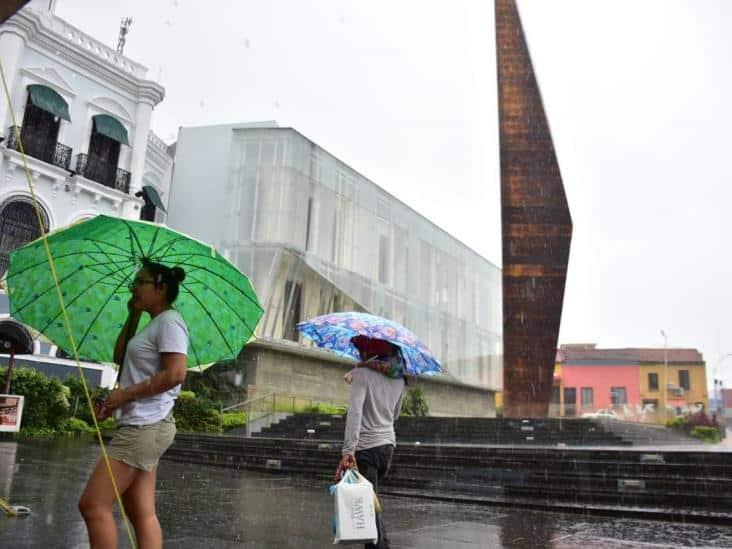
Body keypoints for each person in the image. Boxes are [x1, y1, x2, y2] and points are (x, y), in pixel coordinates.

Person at [79, 259, 188, 549]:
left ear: (161, 287)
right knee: (141, 513)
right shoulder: (153, 324)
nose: (134, 287)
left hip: (145, 427)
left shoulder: (170, 323)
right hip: (144, 423)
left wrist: (124, 396)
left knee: (93, 505)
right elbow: (120, 357)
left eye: (140, 282)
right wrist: (133, 315)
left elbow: (176, 374)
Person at [335, 339, 406, 549]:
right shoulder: (400, 379)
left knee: (367, 512)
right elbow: (395, 414)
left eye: (360, 350)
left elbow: (355, 413)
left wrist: (348, 450)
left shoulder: (362, 375)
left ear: (368, 352)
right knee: (370, 506)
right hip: (387, 448)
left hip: (366, 448)